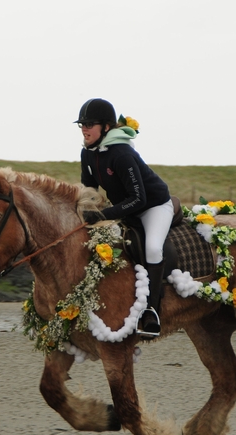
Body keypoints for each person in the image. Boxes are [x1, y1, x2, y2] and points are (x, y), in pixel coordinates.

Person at [75, 98, 173, 337]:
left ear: (106, 127)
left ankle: (152, 311)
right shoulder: (88, 153)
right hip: (124, 207)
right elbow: (89, 189)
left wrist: (103, 214)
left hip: (153, 207)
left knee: (152, 248)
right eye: (82, 124)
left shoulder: (122, 154)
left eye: (90, 124)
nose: (84, 129)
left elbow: (138, 198)